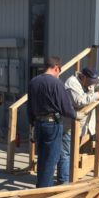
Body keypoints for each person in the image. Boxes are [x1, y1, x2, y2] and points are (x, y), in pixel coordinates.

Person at [57, 67, 99, 184]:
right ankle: (63, 183)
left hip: (82, 126)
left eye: (94, 82)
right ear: (83, 77)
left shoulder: (91, 81)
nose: (93, 84)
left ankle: (69, 178)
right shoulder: (72, 83)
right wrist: (98, 95)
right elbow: (79, 101)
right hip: (70, 126)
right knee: (65, 154)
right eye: (91, 82)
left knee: (72, 153)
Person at [27, 56, 83, 188]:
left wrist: (31, 124)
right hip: (52, 124)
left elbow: (30, 106)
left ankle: (40, 186)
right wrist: (76, 115)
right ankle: (44, 191)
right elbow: (65, 107)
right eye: (59, 70)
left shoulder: (33, 82)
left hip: (38, 123)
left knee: (42, 157)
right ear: (56, 68)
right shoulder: (56, 83)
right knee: (51, 159)